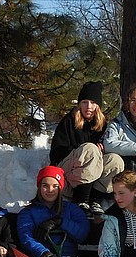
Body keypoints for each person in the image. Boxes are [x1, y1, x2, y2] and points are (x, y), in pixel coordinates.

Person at [49, 81, 125, 215]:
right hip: (67, 177)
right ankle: (81, 200)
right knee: (90, 149)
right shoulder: (69, 121)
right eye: (84, 102)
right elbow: (56, 154)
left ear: (98, 105)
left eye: (92, 102)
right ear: (79, 104)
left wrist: (102, 152)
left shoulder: (103, 126)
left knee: (116, 160)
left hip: (91, 182)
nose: (88, 106)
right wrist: (83, 152)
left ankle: (94, 198)